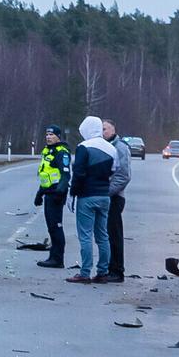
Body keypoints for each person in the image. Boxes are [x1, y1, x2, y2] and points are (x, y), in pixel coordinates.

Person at [67, 115, 116, 283]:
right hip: (104, 196)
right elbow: (113, 171)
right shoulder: (111, 148)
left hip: (87, 196)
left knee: (85, 235)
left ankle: (85, 272)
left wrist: (73, 193)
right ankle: (103, 272)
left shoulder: (84, 147)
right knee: (102, 235)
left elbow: (78, 173)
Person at [34, 125, 72, 269]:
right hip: (48, 193)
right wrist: (39, 194)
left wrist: (59, 192)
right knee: (51, 227)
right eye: (47, 134)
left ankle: (58, 259)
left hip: (56, 194)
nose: (48, 137)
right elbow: (46, 176)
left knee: (56, 227)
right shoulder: (48, 151)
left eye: (52, 134)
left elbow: (65, 174)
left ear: (58, 136)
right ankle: (53, 255)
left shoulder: (61, 153)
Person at [102, 118, 132, 283]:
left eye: (105, 129)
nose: (103, 132)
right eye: (101, 129)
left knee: (114, 235)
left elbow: (124, 176)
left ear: (113, 130)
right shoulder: (105, 146)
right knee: (104, 235)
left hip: (115, 198)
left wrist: (105, 193)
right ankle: (107, 268)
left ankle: (117, 271)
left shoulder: (120, 147)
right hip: (106, 197)